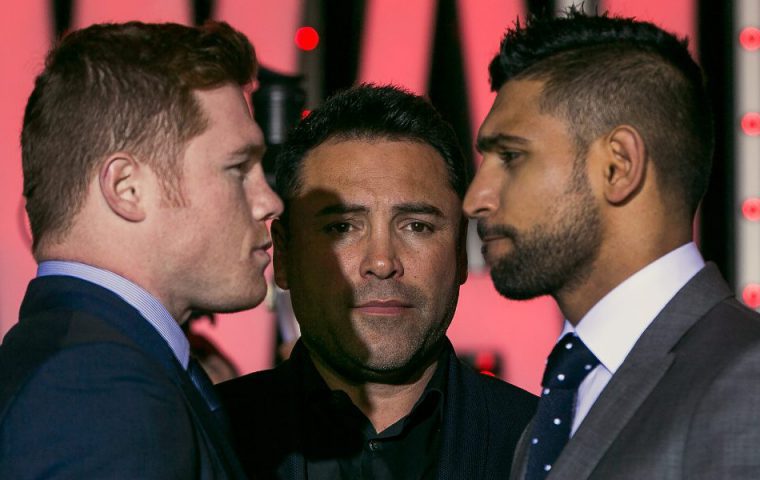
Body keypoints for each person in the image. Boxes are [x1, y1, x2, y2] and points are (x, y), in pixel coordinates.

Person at [464, 8, 760, 480]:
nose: (476, 198)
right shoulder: (557, 406)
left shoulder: (747, 382)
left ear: (618, 166)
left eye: (511, 156)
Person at [0, 21, 282, 479]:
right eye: (237, 168)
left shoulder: (90, 363)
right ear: (127, 188)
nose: (270, 201)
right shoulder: (97, 388)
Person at [218, 84, 537, 480]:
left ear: (459, 252)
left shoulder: (544, 444)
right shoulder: (208, 433)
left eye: (417, 226)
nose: (382, 262)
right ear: (284, 255)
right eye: (342, 227)